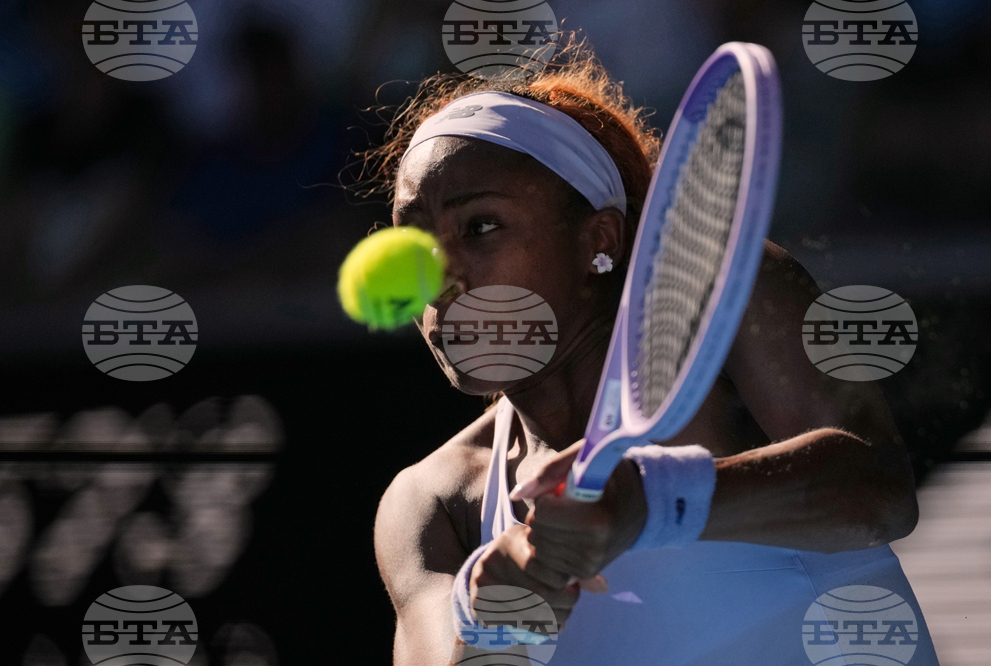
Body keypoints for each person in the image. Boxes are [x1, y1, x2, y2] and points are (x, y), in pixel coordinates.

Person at [369, 39, 938, 665]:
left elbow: (878, 487)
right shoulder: (427, 503)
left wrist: (654, 502)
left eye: (481, 227)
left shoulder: (724, 293)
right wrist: (488, 621)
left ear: (600, 239)